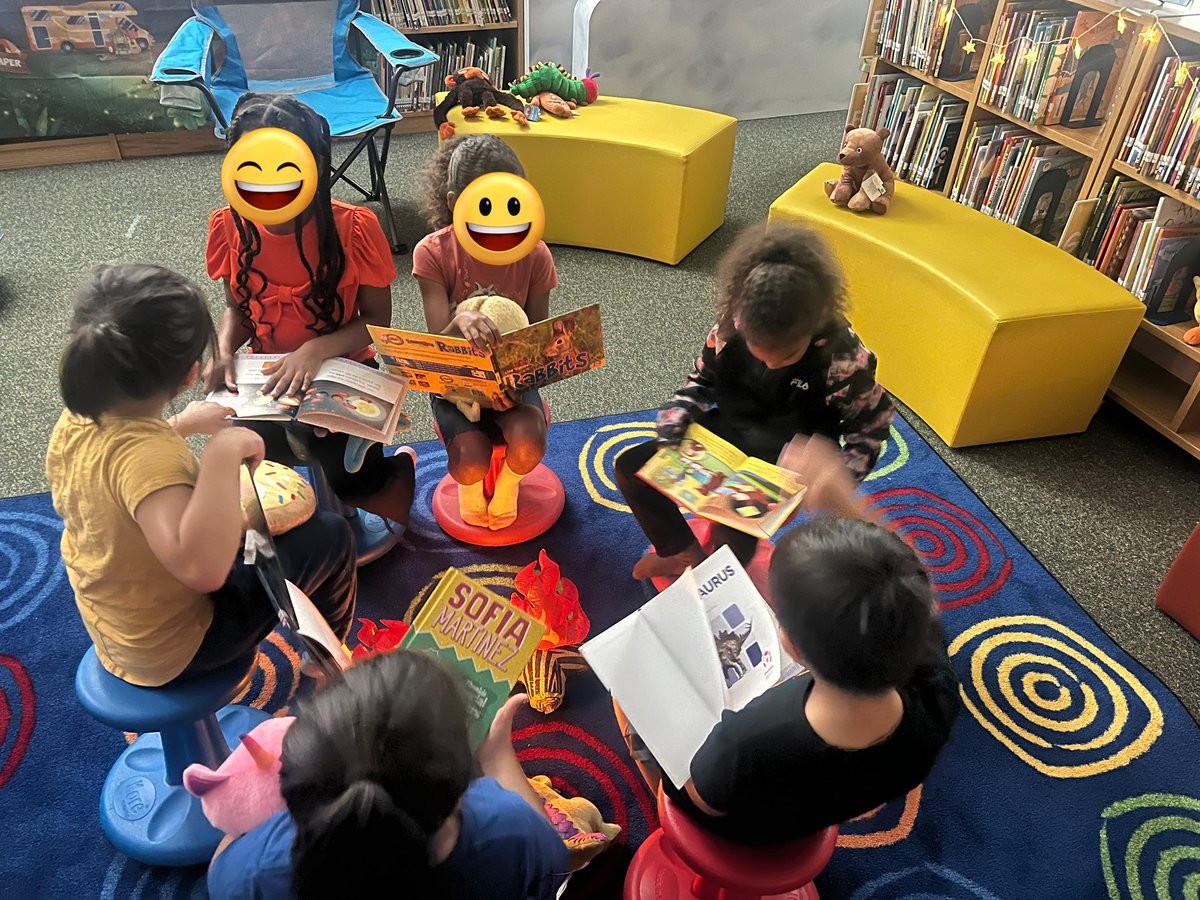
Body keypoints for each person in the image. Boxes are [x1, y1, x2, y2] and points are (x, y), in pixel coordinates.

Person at [617, 437, 959, 845]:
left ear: (792, 646)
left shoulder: (744, 739)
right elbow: (915, 592)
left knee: (628, 690)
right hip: (830, 802)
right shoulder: (936, 689)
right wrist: (844, 500)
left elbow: (698, 798)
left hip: (743, 828)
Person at [46, 264, 357, 686]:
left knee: (259, 534)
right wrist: (221, 454)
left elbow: (120, 469)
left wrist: (182, 424)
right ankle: (327, 663)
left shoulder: (78, 419)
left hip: (120, 627)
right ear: (192, 373)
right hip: (182, 647)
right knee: (330, 536)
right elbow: (204, 570)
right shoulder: (152, 460)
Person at [613, 223, 895, 579]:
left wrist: (835, 479)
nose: (771, 365)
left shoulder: (844, 357)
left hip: (788, 461)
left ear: (815, 324)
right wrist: (678, 414)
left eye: (787, 355)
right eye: (759, 353)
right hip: (726, 434)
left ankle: (718, 573)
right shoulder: (730, 327)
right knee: (630, 467)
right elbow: (702, 380)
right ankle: (681, 553)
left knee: (732, 534)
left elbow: (872, 425)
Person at [205, 92, 414, 527]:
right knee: (248, 475)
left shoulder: (354, 227)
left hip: (343, 367)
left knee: (356, 482)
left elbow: (377, 320)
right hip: (266, 376)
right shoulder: (229, 225)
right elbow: (236, 309)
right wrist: (224, 349)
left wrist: (316, 350)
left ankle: (398, 468)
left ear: (315, 167)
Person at [207, 651, 570, 899]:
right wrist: (498, 756)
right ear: (462, 780)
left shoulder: (256, 872)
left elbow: (220, 873)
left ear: (296, 790)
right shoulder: (511, 830)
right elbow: (554, 863)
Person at [413, 134, 558, 530]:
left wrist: (520, 385)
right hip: (456, 384)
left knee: (530, 440)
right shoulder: (433, 252)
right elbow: (438, 348)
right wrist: (459, 321)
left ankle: (508, 484)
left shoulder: (535, 254)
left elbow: (538, 339)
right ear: (453, 203)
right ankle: (472, 487)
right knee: (470, 460)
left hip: (511, 381)